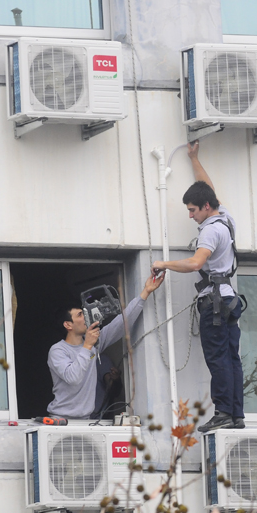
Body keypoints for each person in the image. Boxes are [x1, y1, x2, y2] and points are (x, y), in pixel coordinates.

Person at [152, 142, 244, 433]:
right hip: (229, 299)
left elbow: (195, 264)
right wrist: (194, 158)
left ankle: (223, 413)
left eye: (192, 210)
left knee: (217, 360)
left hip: (214, 304)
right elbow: (208, 186)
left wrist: (164, 264)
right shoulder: (224, 218)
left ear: (205, 208)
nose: (190, 215)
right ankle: (236, 414)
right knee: (231, 358)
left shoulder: (210, 231)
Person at [47, 274, 163, 420]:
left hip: (87, 419)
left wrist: (145, 292)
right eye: (80, 315)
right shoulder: (58, 350)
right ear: (68, 325)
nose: (86, 316)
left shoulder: (92, 343)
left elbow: (121, 324)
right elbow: (73, 377)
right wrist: (88, 345)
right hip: (61, 420)